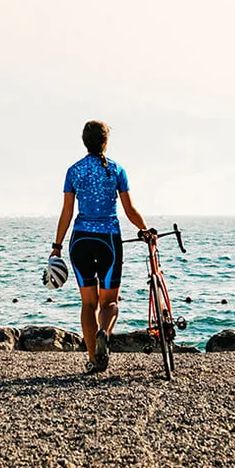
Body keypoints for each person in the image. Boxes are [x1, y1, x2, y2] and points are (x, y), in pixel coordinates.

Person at [50, 119, 153, 373]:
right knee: (109, 303)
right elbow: (129, 210)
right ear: (106, 142)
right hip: (108, 240)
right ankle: (104, 333)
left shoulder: (74, 171)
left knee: (88, 304)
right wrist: (144, 230)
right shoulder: (117, 170)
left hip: (80, 240)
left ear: (84, 142)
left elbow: (66, 212)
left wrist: (57, 246)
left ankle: (94, 359)